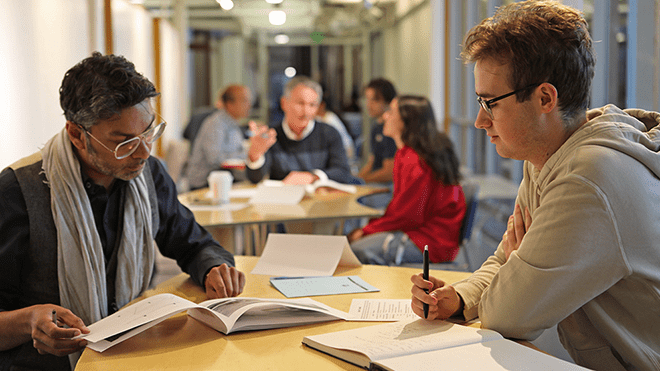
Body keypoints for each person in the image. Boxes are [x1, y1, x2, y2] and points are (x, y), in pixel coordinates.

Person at [410, 2, 660, 370]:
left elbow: (508, 315)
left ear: (545, 98)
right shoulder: (546, 156)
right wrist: (461, 299)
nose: (480, 120)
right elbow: (507, 258)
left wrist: (515, 264)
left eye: (490, 103)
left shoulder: (588, 178)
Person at [0, 52, 245, 371]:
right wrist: (28, 321)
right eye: (124, 141)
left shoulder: (150, 176)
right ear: (77, 134)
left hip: (133, 352)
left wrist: (214, 268)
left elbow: (193, 244)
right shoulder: (17, 193)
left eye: (148, 132)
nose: (144, 152)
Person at [348, 96, 465, 265]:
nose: (385, 116)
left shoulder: (415, 160)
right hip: (421, 232)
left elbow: (408, 216)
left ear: (407, 121)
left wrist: (367, 230)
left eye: (391, 112)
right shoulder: (407, 153)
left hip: (429, 241)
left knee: (356, 251)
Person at [246, 76, 352, 186]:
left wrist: (313, 177)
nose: (306, 111)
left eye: (312, 105)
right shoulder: (271, 136)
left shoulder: (329, 133)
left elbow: (343, 172)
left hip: (319, 200)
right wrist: (255, 155)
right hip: (283, 200)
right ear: (284, 103)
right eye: (300, 103)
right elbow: (255, 179)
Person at [185, 85, 252, 190]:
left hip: (225, 180)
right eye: (244, 101)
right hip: (205, 184)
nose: (249, 105)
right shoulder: (216, 124)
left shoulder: (234, 123)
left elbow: (239, 150)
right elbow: (214, 158)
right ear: (230, 104)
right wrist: (245, 155)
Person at [357, 78, 398, 185]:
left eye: (375, 100)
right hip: (376, 183)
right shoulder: (376, 127)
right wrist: (355, 181)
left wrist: (362, 180)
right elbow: (372, 162)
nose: (369, 105)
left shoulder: (391, 129)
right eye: (367, 99)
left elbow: (390, 172)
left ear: (388, 101)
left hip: (387, 186)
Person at [316, 97, 357, 173]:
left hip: (345, 153)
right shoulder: (319, 118)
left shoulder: (329, 119)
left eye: (313, 105)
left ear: (322, 105)